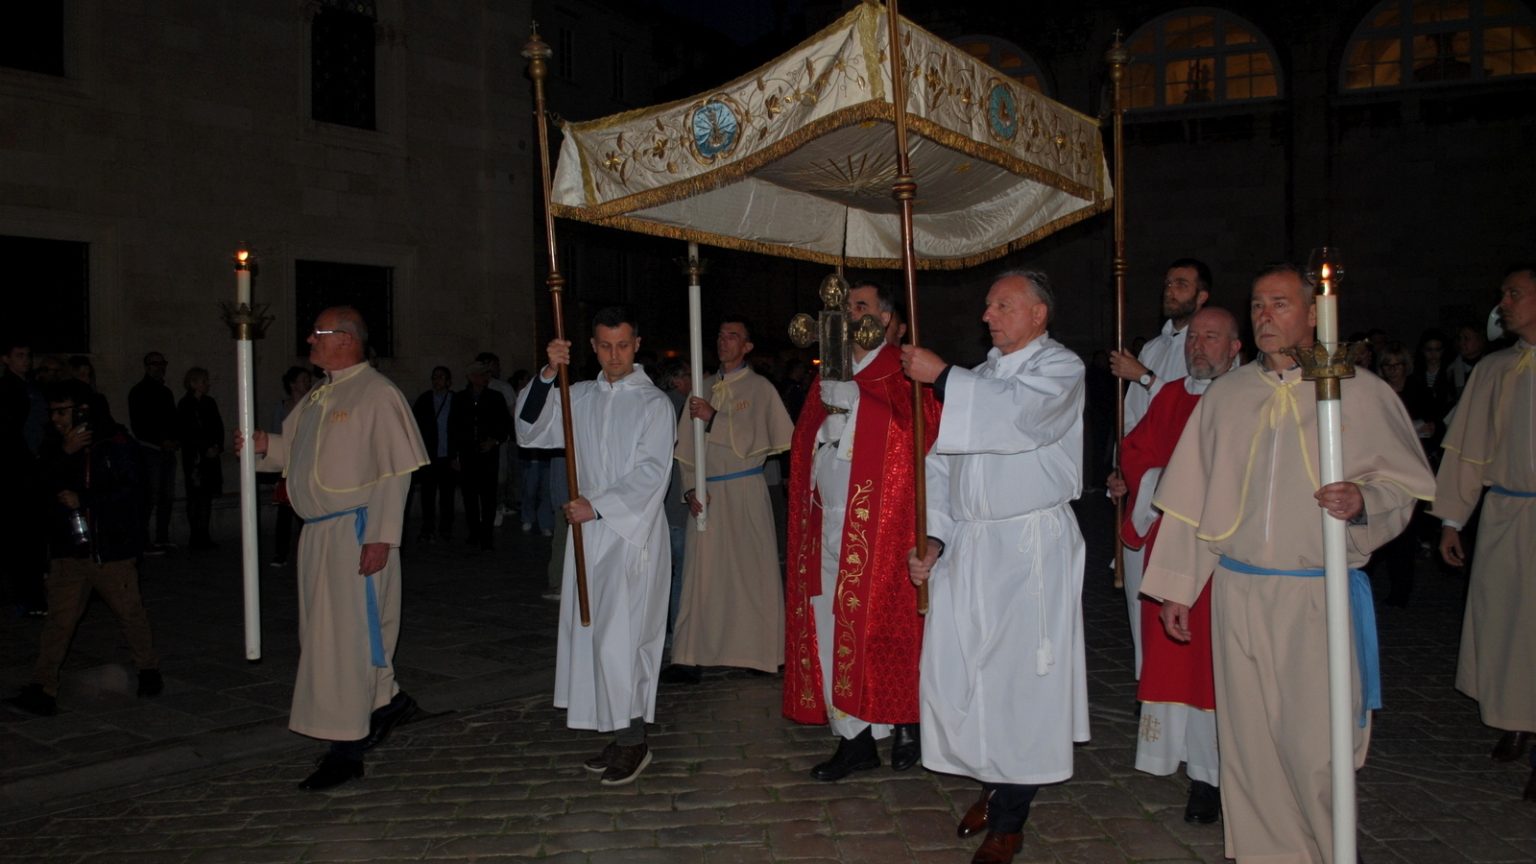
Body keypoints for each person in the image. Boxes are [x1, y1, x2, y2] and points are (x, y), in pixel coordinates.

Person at [1141, 264, 1434, 863]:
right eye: (1257, 304)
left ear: (1314, 313)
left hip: (1314, 593)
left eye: (1279, 303)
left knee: (1315, 746)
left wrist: (1362, 501)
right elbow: (1193, 501)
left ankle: (1329, 852)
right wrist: (1177, 587)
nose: (1264, 315)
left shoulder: (1357, 391)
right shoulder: (1227, 396)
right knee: (1248, 746)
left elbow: (1401, 486)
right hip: (1238, 590)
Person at [902, 270, 1089, 864]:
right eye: (987, 306)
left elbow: (1021, 419)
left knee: (1021, 682)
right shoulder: (980, 377)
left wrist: (943, 378)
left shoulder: (1060, 369)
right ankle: (993, 778)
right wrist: (935, 538)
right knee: (965, 669)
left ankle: (1010, 818)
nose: (988, 315)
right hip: (974, 543)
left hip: (1029, 546)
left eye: (1002, 305)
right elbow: (943, 466)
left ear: (1038, 314)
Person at [239, 306, 428, 791]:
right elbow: (295, 451)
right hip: (319, 533)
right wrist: (263, 445)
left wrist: (380, 536)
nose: (310, 340)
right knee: (326, 636)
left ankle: (346, 749)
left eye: (317, 333)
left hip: (355, 532)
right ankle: (388, 704)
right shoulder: (321, 394)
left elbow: (394, 471)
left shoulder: (377, 394)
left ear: (345, 339)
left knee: (346, 641)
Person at [783, 281, 939, 781]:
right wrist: (825, 429)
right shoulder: (828, 373)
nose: (848, 314)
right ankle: (854, 738)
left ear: (886, 318)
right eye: (845, 306)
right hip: (827, 521)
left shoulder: (903, 371)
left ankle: (905, 720)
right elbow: (805, 442)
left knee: (886, 628)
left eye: (860, 306)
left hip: (883, 529)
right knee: (830, 623)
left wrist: (861, 407)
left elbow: (921, 438)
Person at [515, 306, 675, 786]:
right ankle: (616, 728)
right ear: (591, 347)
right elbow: (529, 430)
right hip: (588, 533)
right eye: (605, 346)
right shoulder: (578, 395)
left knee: (624, 638)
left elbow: (652, 472)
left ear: (637, 345)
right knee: (592, 635)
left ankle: (634, 740)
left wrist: (599, 506)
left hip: (630, 534)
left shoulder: (654, 404)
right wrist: (549, 373)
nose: (614, 355)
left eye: (623, 345)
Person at [1107, 306, 1242, 825]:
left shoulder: (1246, 397)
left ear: (1235, 347)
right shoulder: (1170, 396)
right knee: (1177, 659)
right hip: (1171, 547)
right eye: (1193, 338)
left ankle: (1220, 774)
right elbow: (1135, 451)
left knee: (1215, 664)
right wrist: (1145, 482)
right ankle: (1194, 767)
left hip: (1227, 552)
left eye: (1211, 337)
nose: (1197, 346)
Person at [1434, 265, 1536, 801]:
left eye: (1514, 294)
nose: (1504, 304)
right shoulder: (1496, 369)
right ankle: (1517, 717)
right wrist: (1452, 519)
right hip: (1507, 514)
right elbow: (1468, 449)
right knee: (1508, 625)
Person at [6, 379, 162, 716]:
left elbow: (133, 493)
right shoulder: (54, 444)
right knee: (58, 622)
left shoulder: (114, 442)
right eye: (52, 412)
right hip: (68, 550)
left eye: (61, 412)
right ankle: (43, 687)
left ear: (81, 410)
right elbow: (34, 487)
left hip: (109, 551)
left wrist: (87, 500)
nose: (55, 419)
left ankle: (148, 670)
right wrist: (64, 453)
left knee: (130, 613)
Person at [665, 317, 794, 683]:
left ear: (747, 346)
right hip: (707, 494)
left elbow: (755, 441)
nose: (724, 341)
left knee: (752, 573)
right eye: (720, 335)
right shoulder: (702, 388)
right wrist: (689, 489)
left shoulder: (760, 388)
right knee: (700, 575)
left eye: (733, 336)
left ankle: (761, 652)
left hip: (744, 490)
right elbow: (685, 451)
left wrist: (715, 418)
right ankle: (690, 655)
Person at [1107, 259, 1211, 681]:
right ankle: (1146, 686)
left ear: (1202, 296)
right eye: (1168, 283)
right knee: (1141, 599)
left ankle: (1182, 689)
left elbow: (1198, 406)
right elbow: (1134, 421)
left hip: (1186, 493)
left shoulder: (1209, 348)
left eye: (1182, 284)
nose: (1170, 290)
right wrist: (1120, 470)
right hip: (1144, 489)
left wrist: (1145, 377)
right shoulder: (1152, 347)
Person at [2, 338, 47, 618]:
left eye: (28, 355)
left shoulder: (31, 387)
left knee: (32, 536)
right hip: (18, 471)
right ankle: (25, 595)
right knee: (21, 536)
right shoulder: (7, 389)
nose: (26, 360)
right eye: (19, 355)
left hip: (33, 468)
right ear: (6, 359)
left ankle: (33, 592)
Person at [654, 358, 692, 652]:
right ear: (678, 379)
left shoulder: (657, 404)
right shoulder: (679, 408)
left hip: (659, 504)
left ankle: (664, 630)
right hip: (675, 503)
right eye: (689, 376)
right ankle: (676, 631)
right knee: (680, 571)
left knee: (664, 572)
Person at [453, 361, 510, 550]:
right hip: (467, 453)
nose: (485, 378)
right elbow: (453, 428)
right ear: (471, 377)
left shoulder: (495, 397)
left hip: (488, 454)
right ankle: (473, 531)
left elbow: (504, 424)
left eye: (486, 374)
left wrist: (494, 441)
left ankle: (486, 533)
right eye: (481, 374)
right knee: (469, 495)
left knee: (488, 496)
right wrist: (455, 455)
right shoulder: (460, 398)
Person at [128, 351, 178, 554]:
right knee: (150, 496)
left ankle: (162, 537)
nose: (160, 367)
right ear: (147, 366)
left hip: (167, 451)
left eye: (162, 363)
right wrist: (160, 441)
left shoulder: (166, 392)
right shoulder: (138, 392)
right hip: (150, 450)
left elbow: (173, 420)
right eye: (155, 364)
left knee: (167, 496)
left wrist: (174, 440)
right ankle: (143, 540)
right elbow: (140, 424)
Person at [270, 366, 314, 567]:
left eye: (308, 380)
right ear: (292, 384)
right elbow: (276, 435)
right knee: (285, 512)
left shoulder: (313, 405)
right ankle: (281, 553)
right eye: (304, 380)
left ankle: (309, 553)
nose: (308, 383)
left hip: (307, 465)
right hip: (288, 465)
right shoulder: (282, 407)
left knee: (306, 512)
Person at [177, 367, 224, 550]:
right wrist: (204, 449)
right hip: (194, 458)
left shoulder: (209, 403)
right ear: (193, 383)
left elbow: (218, 427)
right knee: (195, 497)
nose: (207, 384)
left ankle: (204, 534)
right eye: (203, 381)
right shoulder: (185, 405)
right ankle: (195, 535)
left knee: (206, 496)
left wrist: (217, 446)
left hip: (209, 456)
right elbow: (187, 432)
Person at [411, 366, 458, 543]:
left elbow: (460, 428)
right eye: (434, 377)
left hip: (447, 456)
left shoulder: (455, 400)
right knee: (427, 494)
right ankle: (427, 527)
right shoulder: (425, 400)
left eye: (441, 377)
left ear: (448, 381)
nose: (437, 380)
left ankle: (446, 528)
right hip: (429, 456)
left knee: (447, 494)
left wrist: (456, 455)